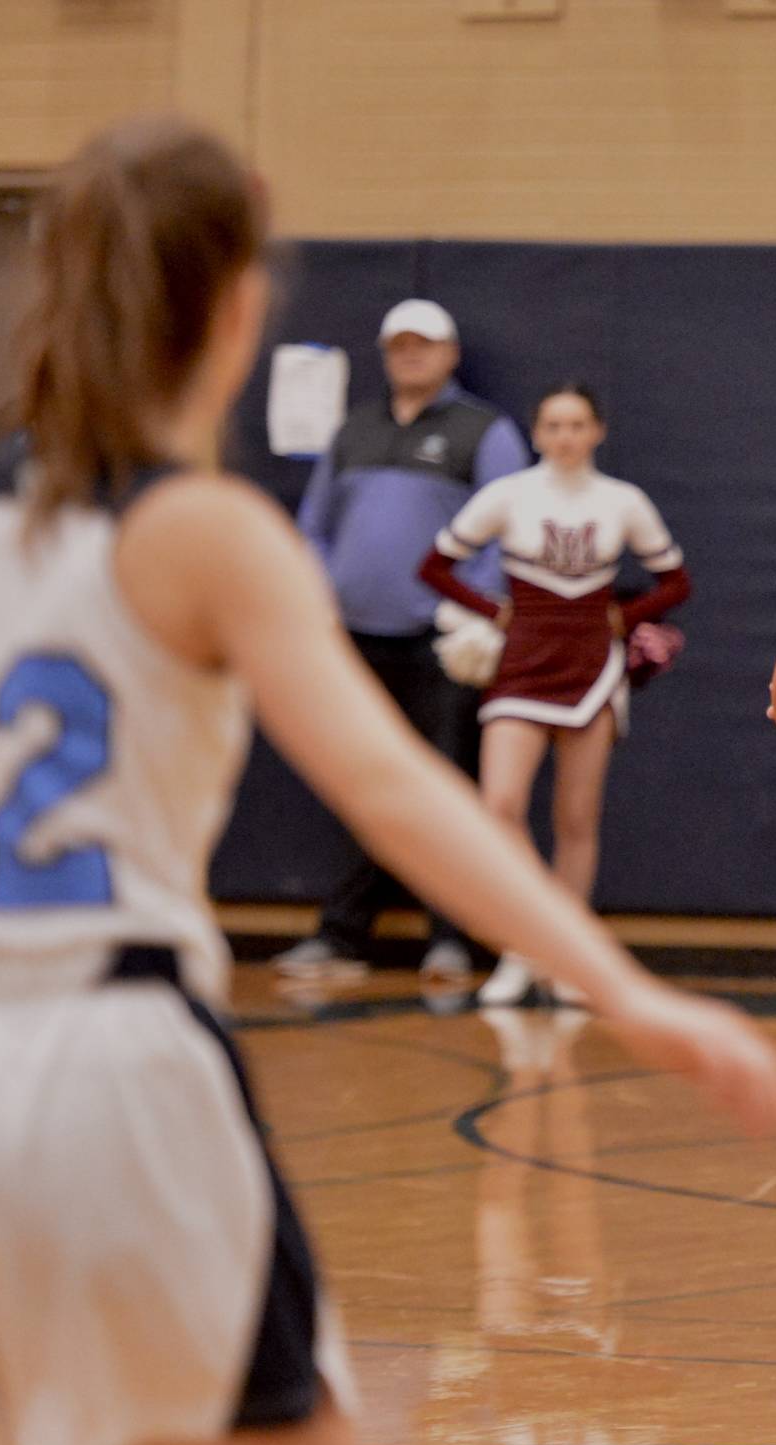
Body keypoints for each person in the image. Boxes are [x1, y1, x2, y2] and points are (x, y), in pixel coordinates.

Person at [0, 118, 776, 1445]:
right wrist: (630, 993)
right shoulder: (205, 530)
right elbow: (400, 790)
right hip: (109, 1076)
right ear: (239, 305)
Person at [273, 295, 532, 984]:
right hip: (354, 642)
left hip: (440, 645)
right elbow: (312, 528)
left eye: (423, 344)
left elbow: (511, 526)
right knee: (360, 787)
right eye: (398, 345)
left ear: (449, 354)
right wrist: (320, 598)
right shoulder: (352, 430)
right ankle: (342, 936)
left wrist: (472, 611)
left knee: (446, 787)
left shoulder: (485, 432)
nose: (410, 355)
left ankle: (449, 938)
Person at [416, 382, 692, 1007]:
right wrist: (493, 611)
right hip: (521, 665)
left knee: (575, 819)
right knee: (501, 807)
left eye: (577, 425)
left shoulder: (623, 501)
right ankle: (520, 948)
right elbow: (433, 567)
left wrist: (625, 617)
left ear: (597, 432)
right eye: (553, 426)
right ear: (537, 435)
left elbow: (676, 580)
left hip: (592, 667)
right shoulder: (509, 495)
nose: (565, 437)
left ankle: (567, 957)